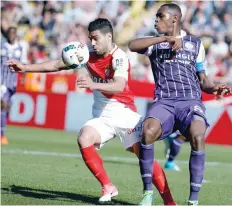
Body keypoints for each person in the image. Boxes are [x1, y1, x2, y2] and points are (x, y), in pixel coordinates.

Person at [7, 18, 176, 205]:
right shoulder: (87, 57)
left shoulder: (119, 57)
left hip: (124, 114)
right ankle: (108, 186)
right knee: (84, 137)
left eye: (96, 39)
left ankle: (169, 202)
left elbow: (119, 85)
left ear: (108, 36)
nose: (92, 43)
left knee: (144, 157)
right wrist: (25, 68)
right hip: (102, 116)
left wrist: (92, 84)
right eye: (90, 39)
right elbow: (56, 65)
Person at [128, 3, 231, 206]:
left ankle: (193, 200)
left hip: (190, 101)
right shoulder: (154, 43)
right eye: (156, 17)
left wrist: (215, 87)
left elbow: (203, 80)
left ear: (174, 18)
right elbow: (132, 45)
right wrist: (164, 39)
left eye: (160, 16)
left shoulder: (195, 43)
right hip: (164, 101)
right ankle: (147, 193)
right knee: (147, 132)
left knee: (198, 135)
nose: (156, 20)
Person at [1, 26, 27, 145]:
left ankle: (2, 125)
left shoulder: (20, 48)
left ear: (16, 35)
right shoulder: (2, 46)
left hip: (13, 83)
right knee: (3, 103)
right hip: (2, 81)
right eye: (9, 33)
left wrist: (23, 77)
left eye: (13, 33)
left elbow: (24, 64)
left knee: (7, 108)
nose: (11, 35)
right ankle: (2, 135)